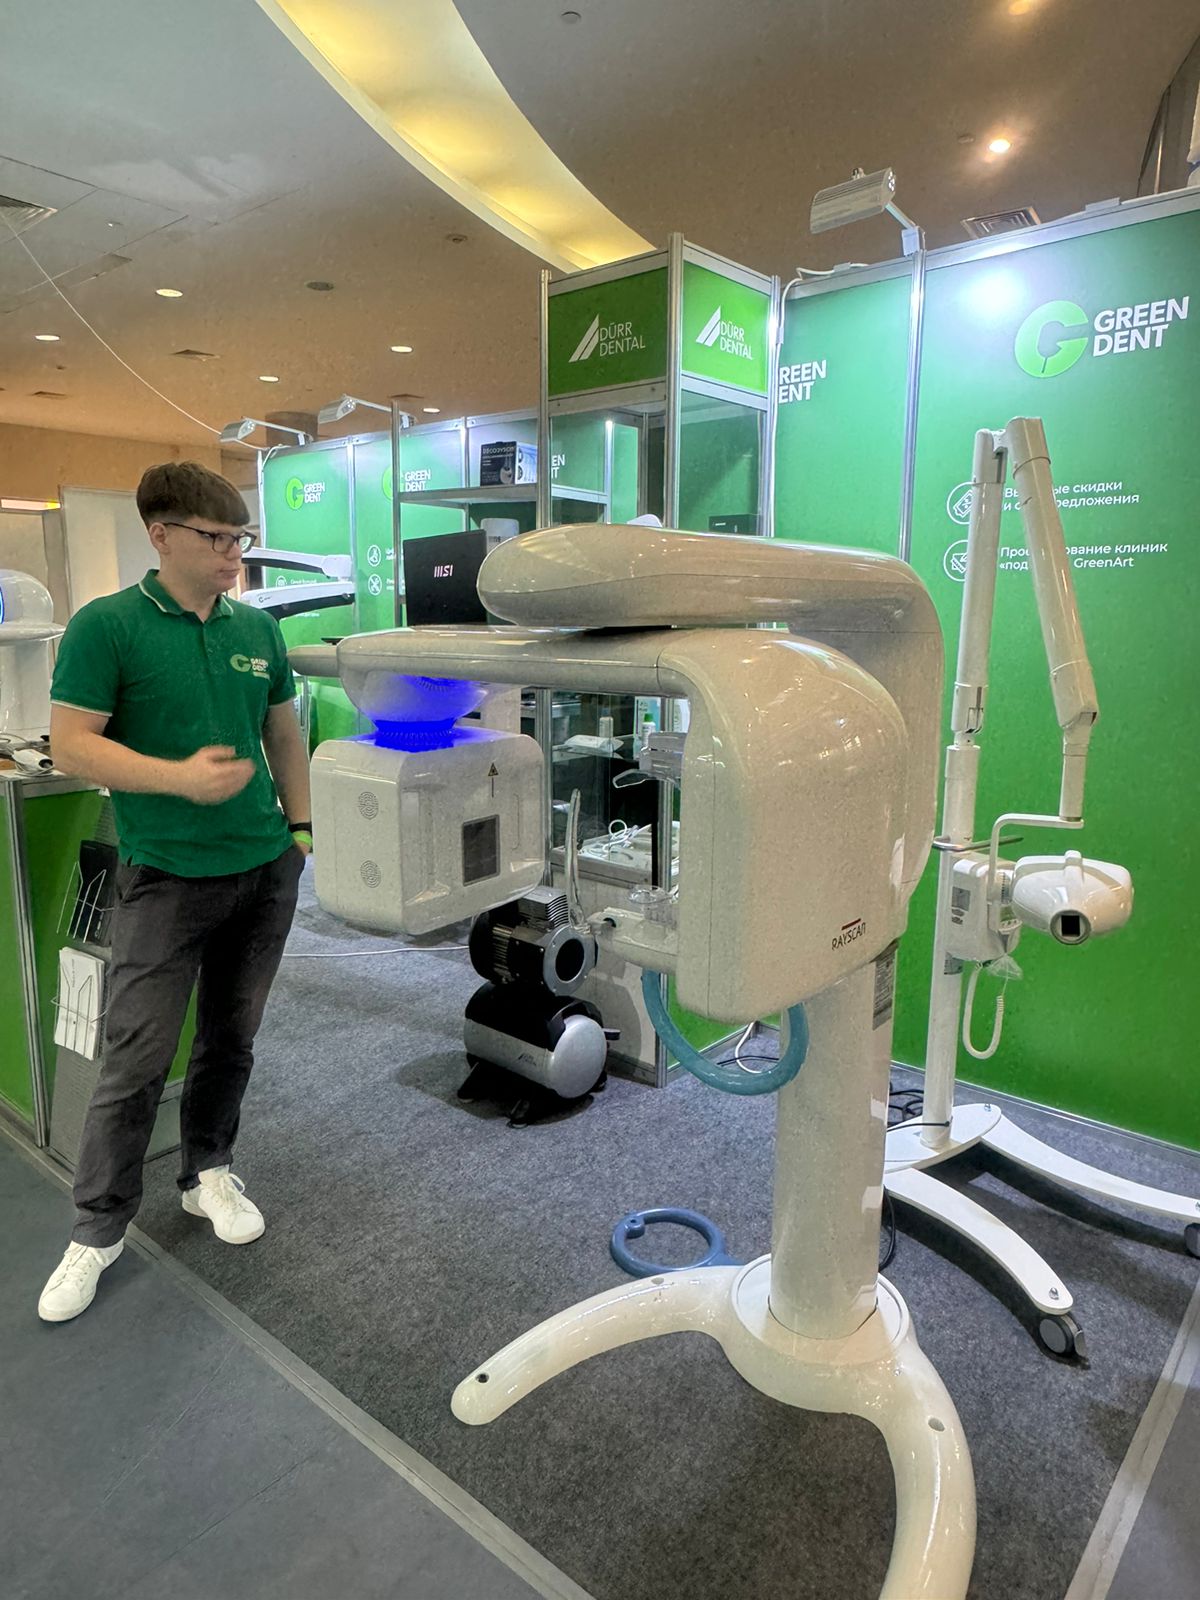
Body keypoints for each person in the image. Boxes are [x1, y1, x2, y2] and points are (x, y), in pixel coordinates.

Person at [37, 461, 313, 1322]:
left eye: (241, 538)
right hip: (163, 877)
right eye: (216, 537)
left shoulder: (257, 630)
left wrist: (301, 833)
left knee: (231, 1039)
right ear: (160, 534)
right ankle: (97, 1229)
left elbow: (283, 733)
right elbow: (72, 744)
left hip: (262, 869)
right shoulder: (107, 626)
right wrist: (179, 778)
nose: (234, 553)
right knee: (135, 1059)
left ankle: (208, 1174)